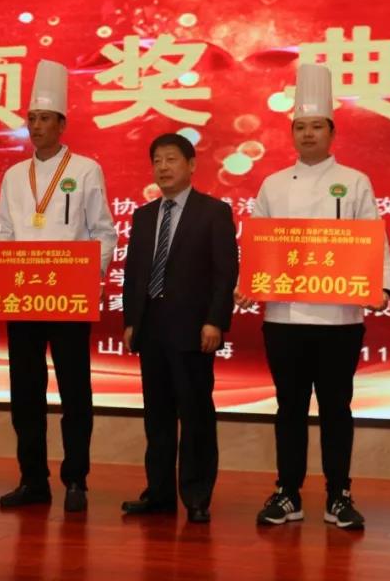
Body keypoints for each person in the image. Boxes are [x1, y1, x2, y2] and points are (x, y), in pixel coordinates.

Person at [246, 64, 390, 530]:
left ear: (332, 132)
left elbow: (373, 237)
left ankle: (339, 495)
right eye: (300, 127)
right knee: (288, 408)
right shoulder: (272, 185)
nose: (307, 134)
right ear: (292, 133)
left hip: (339, 319)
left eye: (316, 126)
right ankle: (287, 493)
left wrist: (381, 285)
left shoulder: (355, 181)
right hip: (284, 318)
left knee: (335, 409)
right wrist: (248, 281)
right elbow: (259, 243)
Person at [0, 59, 117, 513]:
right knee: (25, 392)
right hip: (22, 295)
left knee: (74, 391)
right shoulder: (13, 175)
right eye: (31, 119)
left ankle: (76, 479)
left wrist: (91, 277)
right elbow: (5, 234)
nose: (36, 126)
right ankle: (32, 480)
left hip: (68, 295)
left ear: (62, 124)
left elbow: (103, 232)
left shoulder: (85, 169)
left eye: (45, 118)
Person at [120, 133, 238, 524]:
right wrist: (131, 321)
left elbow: (225, 273)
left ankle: (197, 495)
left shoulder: (213, 212)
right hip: (151, 329)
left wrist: (215, 320)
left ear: (191, 165)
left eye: (171, 159)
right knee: (157, 417)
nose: (163, 167)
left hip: (193, 331)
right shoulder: (144, 215)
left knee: (196, 414)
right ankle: (158, 494)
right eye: (157, 161)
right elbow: (134, 273)